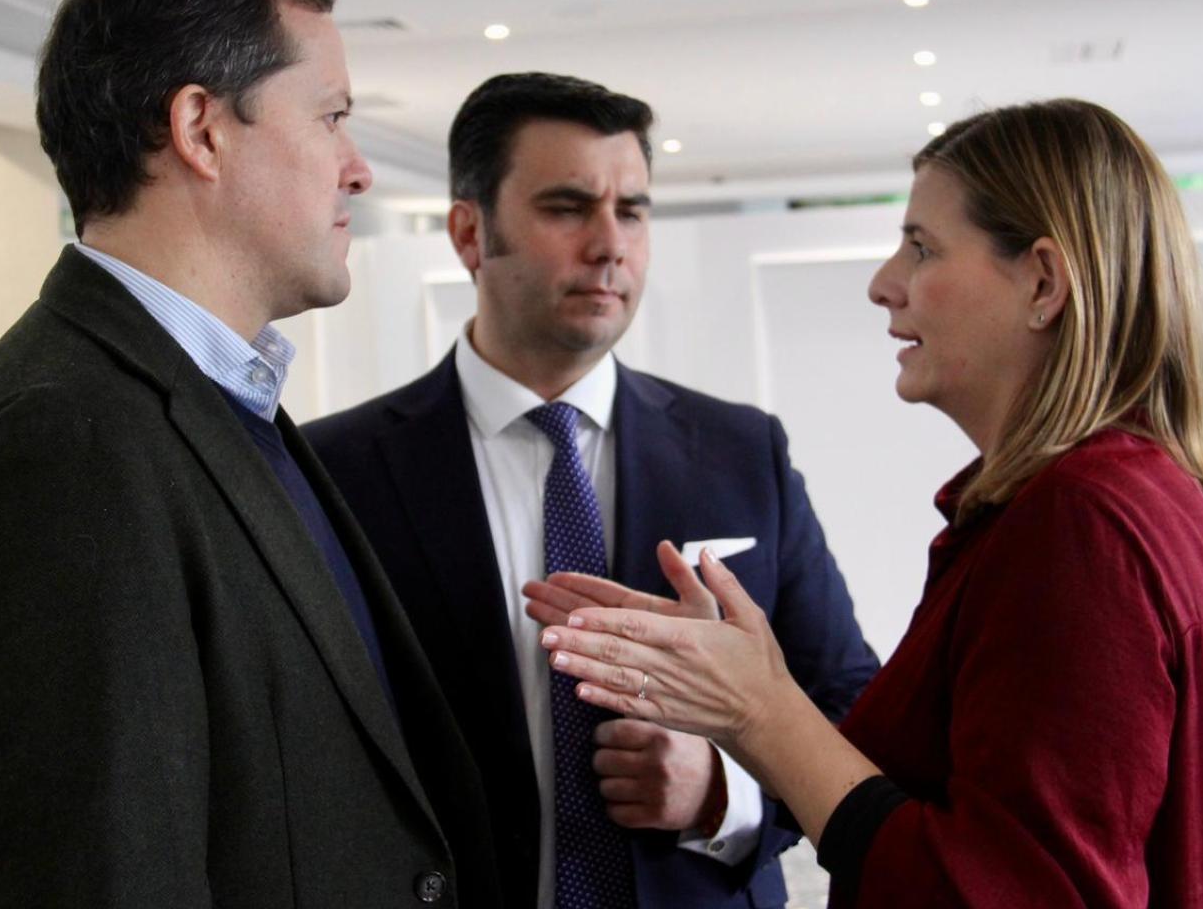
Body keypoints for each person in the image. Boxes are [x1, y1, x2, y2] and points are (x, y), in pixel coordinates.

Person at [536, 99, 1203, 907]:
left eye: (921, 248)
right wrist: (751, 693)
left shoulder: (1080, 522)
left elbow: (1001, 891)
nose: (884, 285)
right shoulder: (1121, 497)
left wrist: (761, 711)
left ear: (1043, 282)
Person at [0, 0, 499, 905]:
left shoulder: (215, 401)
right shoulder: (60, 449)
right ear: (201, 131)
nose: (360, 169)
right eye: (331, 117)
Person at [305, 72, 878, 909]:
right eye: (568, 208)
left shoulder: (741, 451)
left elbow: (854, 706)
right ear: (470, 233)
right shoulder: (338, 471)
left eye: (633, 210)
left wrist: (724, 790)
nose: (611, 243)